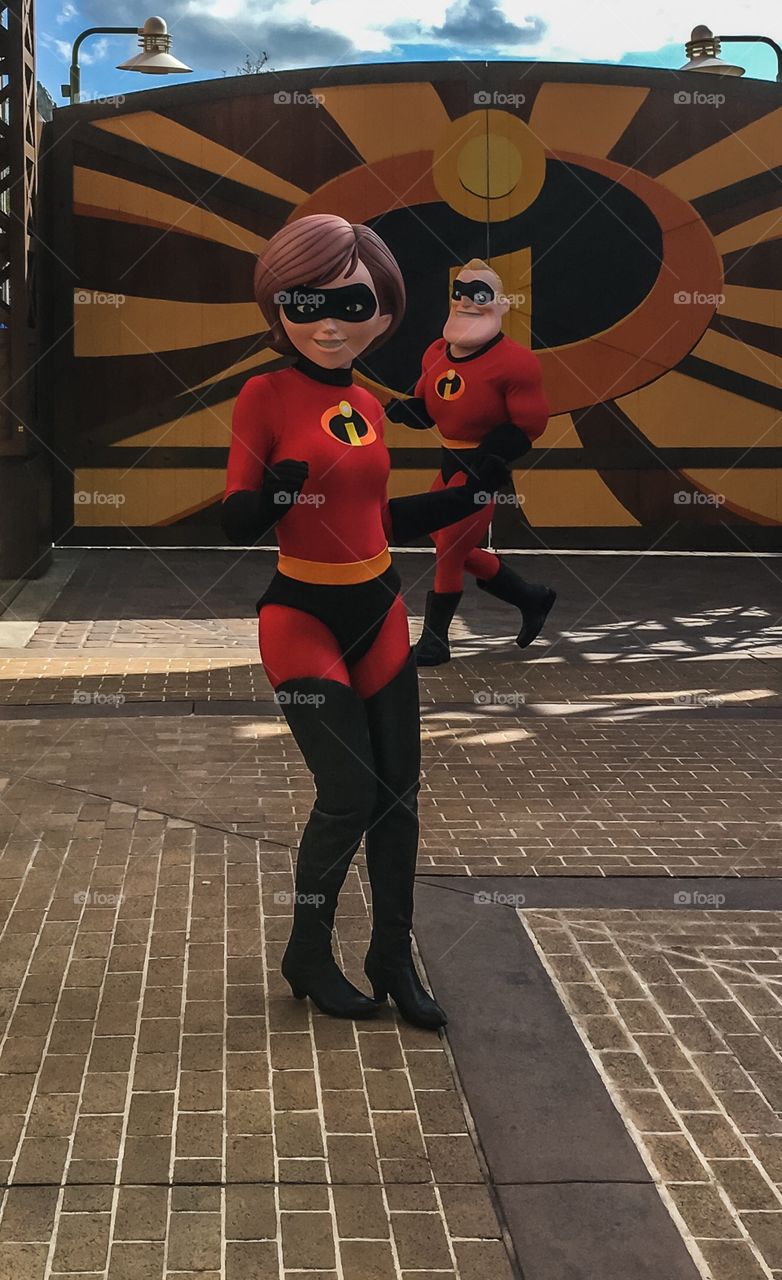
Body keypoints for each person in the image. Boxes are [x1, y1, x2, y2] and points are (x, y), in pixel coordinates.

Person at [222, 215, 505, 1029]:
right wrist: (279, 492)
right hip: (300, 615)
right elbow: (239, 516)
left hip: (377, 605)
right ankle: (308, 951)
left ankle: (392, 954)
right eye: (305, 299)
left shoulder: (367, 404)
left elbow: (374, 519)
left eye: (350, 299)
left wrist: (465, 493)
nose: (328, 318)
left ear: (382, 307)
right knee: (347, 796)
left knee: (398, 801)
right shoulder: (265, 393)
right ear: (279, 306)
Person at [386, 258, 556, 666]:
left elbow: (530, 424)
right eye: (459, 293)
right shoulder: (436, 353)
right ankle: (531, 597)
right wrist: (404, 411)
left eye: (478, 295)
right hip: (449, 463)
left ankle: (435, 641)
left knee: (448, 549)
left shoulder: (516, 363)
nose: (465, 302)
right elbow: (431, 406)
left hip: (480, 472)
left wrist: (489, 458)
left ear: (499, 304)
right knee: (449, 544)